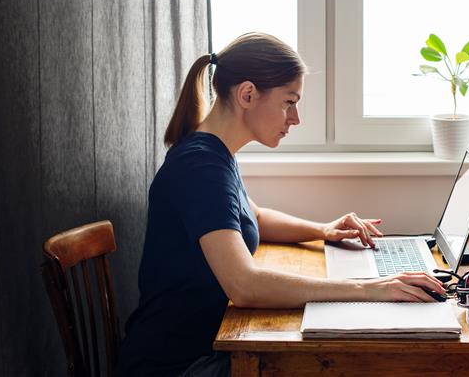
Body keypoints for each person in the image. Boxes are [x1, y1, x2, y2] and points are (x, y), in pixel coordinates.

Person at [118, 33, 445, 376]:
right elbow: (244, 286)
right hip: (178, 365)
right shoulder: (200, 167)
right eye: (290, 102)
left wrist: (323, 230)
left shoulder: (213, 155)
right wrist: (371, 289)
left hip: (200, 349)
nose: (296, 118)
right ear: (247, 94)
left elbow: (253, 216)